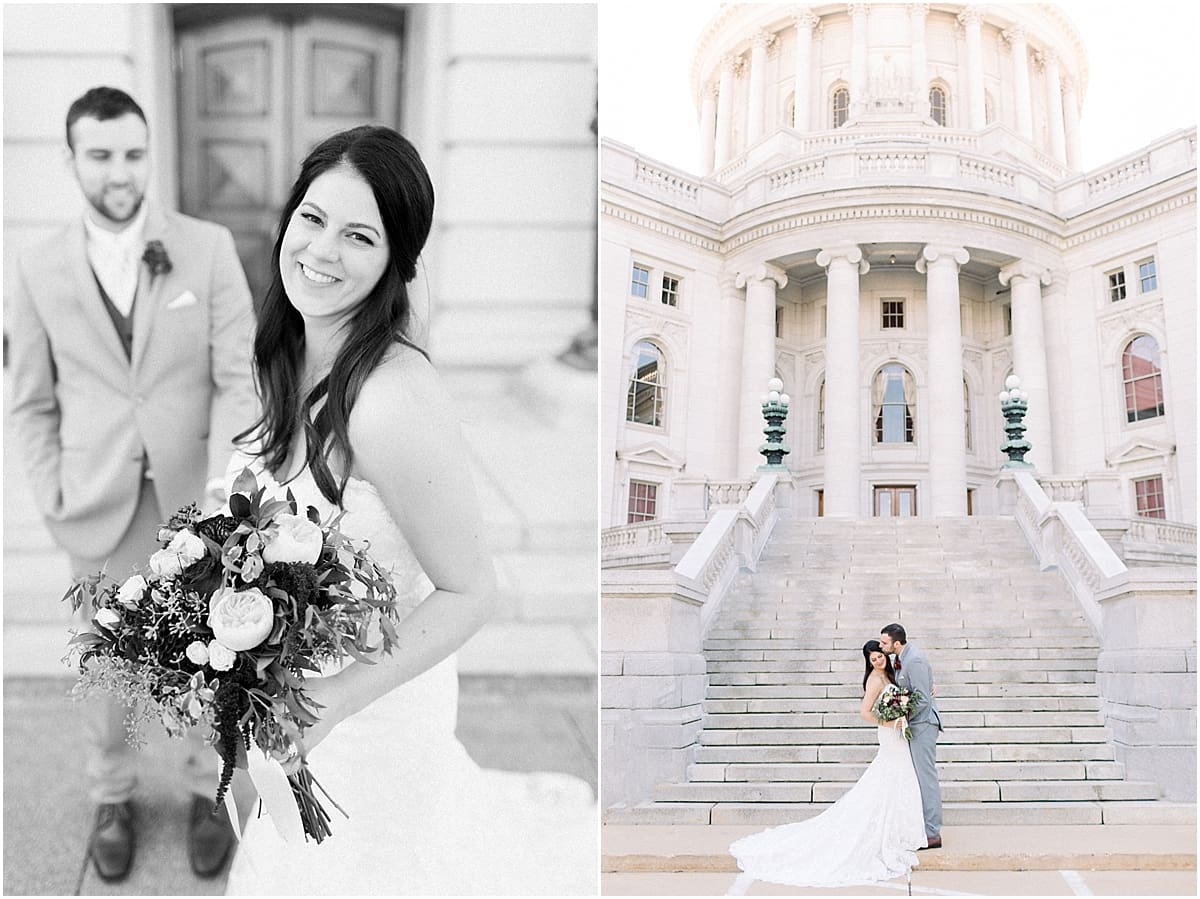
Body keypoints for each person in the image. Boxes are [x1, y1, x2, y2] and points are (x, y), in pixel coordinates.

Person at [221, 124, 595, 895]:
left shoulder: (388, 400)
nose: (323, 252)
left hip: (370, 724)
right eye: (313, 218)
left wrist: (333, 696)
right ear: (287, 218)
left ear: (395, 261)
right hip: (293, 710)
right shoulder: (292, 355)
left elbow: (471, 590)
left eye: (360, 236)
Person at [7, 86, 257, 880]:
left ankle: (203, 788)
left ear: (151, 153)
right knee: (105, 666)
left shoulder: (207, 248)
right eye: (103, 154)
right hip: (95, 506)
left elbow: (236, 382)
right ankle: (112, 794)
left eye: (134, 154)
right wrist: (53, 496)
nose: (121, 171)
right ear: (72, 159)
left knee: (204, 659)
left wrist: (222, 497)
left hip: (193, 500)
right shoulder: (35, 265)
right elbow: (31, 400)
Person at [728, 640, 926, 888]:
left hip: (899, 733)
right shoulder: (874, 681)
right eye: (873, 659)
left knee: (901, 775)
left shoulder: (890, 673)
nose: (878, 661)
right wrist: (889, 723)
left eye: (879, 656)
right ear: (868, 662)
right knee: (890, 774)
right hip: (889, 733)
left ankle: (902, 829)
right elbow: (865, 712)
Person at [880, 621, 944, 849]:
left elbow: (923, 698)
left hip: (923, 723)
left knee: (926, 777)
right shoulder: (901, 659)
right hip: (915, 724)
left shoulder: (914, 659)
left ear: (897, 643)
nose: (881, 645)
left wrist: (902, 716)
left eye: (884, 642)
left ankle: (932, 832)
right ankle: (921, 826)